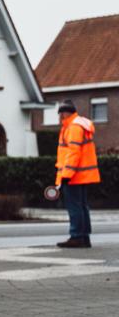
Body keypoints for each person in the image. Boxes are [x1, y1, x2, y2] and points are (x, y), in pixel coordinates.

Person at [54, 99, 100, 248]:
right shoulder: (81, 125)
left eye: (60, 114)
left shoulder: (73, 127)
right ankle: (84, 236)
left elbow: (73, 152)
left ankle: (77, 236)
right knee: (82, 206)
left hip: (73, 175)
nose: (59, 117)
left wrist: (66, 174)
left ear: (65, 113)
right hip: (82, 175)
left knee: (74, 206)